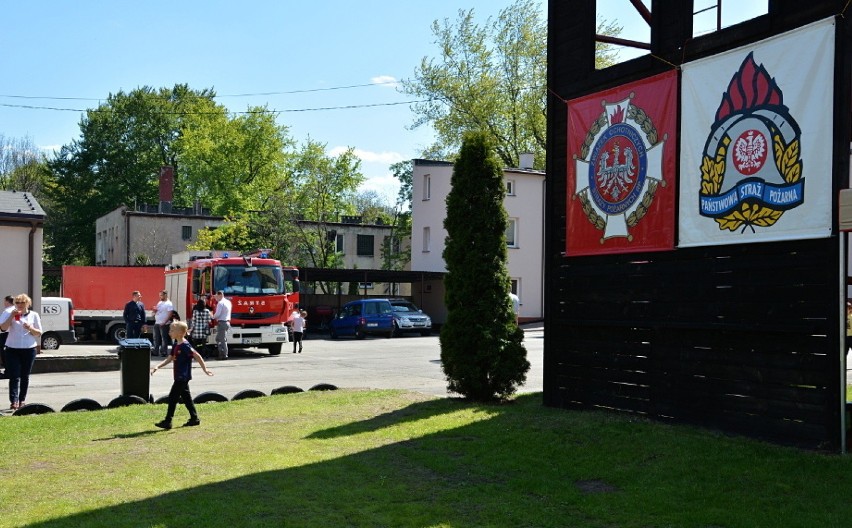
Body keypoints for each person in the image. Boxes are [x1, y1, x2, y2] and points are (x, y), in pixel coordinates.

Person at [150, 321, 213, 429]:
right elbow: (169, 358)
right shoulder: (176, 344)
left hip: (182, 377)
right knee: (187, 398)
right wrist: (157, 366)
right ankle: (194, 418)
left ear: (180, 333)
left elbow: (197, 356)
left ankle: (168, 421)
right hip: (179, 376)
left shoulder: (185, 345)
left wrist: (205, 369)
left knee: (172, 397)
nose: (169, 332)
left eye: (171, 330)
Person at [0, 294, 43, 410]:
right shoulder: (10, 314)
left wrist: (30, 328)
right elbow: (3, 328)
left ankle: (22, 400)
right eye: (17, 303)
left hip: (29, 349)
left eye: (22, 303)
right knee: (14, 376)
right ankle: (13, 401)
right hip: (12, 348)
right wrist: (11, 317)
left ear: (27, 304)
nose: (19, 305)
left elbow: (39, 333)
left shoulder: (34, 315)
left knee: (25, 376)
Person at [152, 290, 174, 357]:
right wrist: (154, 311)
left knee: (163, 338)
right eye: (159, 295)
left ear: (165, 295)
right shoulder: (159, 302)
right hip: (157, 322)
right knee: (156, 338)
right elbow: (157, 311)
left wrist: (165, 322)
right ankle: (155, 351)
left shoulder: (169, 303)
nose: (160, 297)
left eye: (161, 295)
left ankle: (164, 352)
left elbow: (170, 314)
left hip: (164, 324)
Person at [212, 290, 232, 360]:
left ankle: (223, 355)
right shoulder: (228, 302)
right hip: (227, 322)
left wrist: (212, 316)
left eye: (216, 296)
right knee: (221, 338)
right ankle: (223, 354)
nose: (215, 298)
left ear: (220, 295)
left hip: (222, 322)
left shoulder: (220, 303)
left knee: (221, 339)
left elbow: (217, 314)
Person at [0, 295, 13, 378]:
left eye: (5, 301)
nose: (4, 303)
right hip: (10, 334)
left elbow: (1, 323)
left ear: (8, 301)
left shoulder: (8, 311)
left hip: (4, 334)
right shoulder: (15, 310)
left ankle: (8, 371)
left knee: (4, 353)